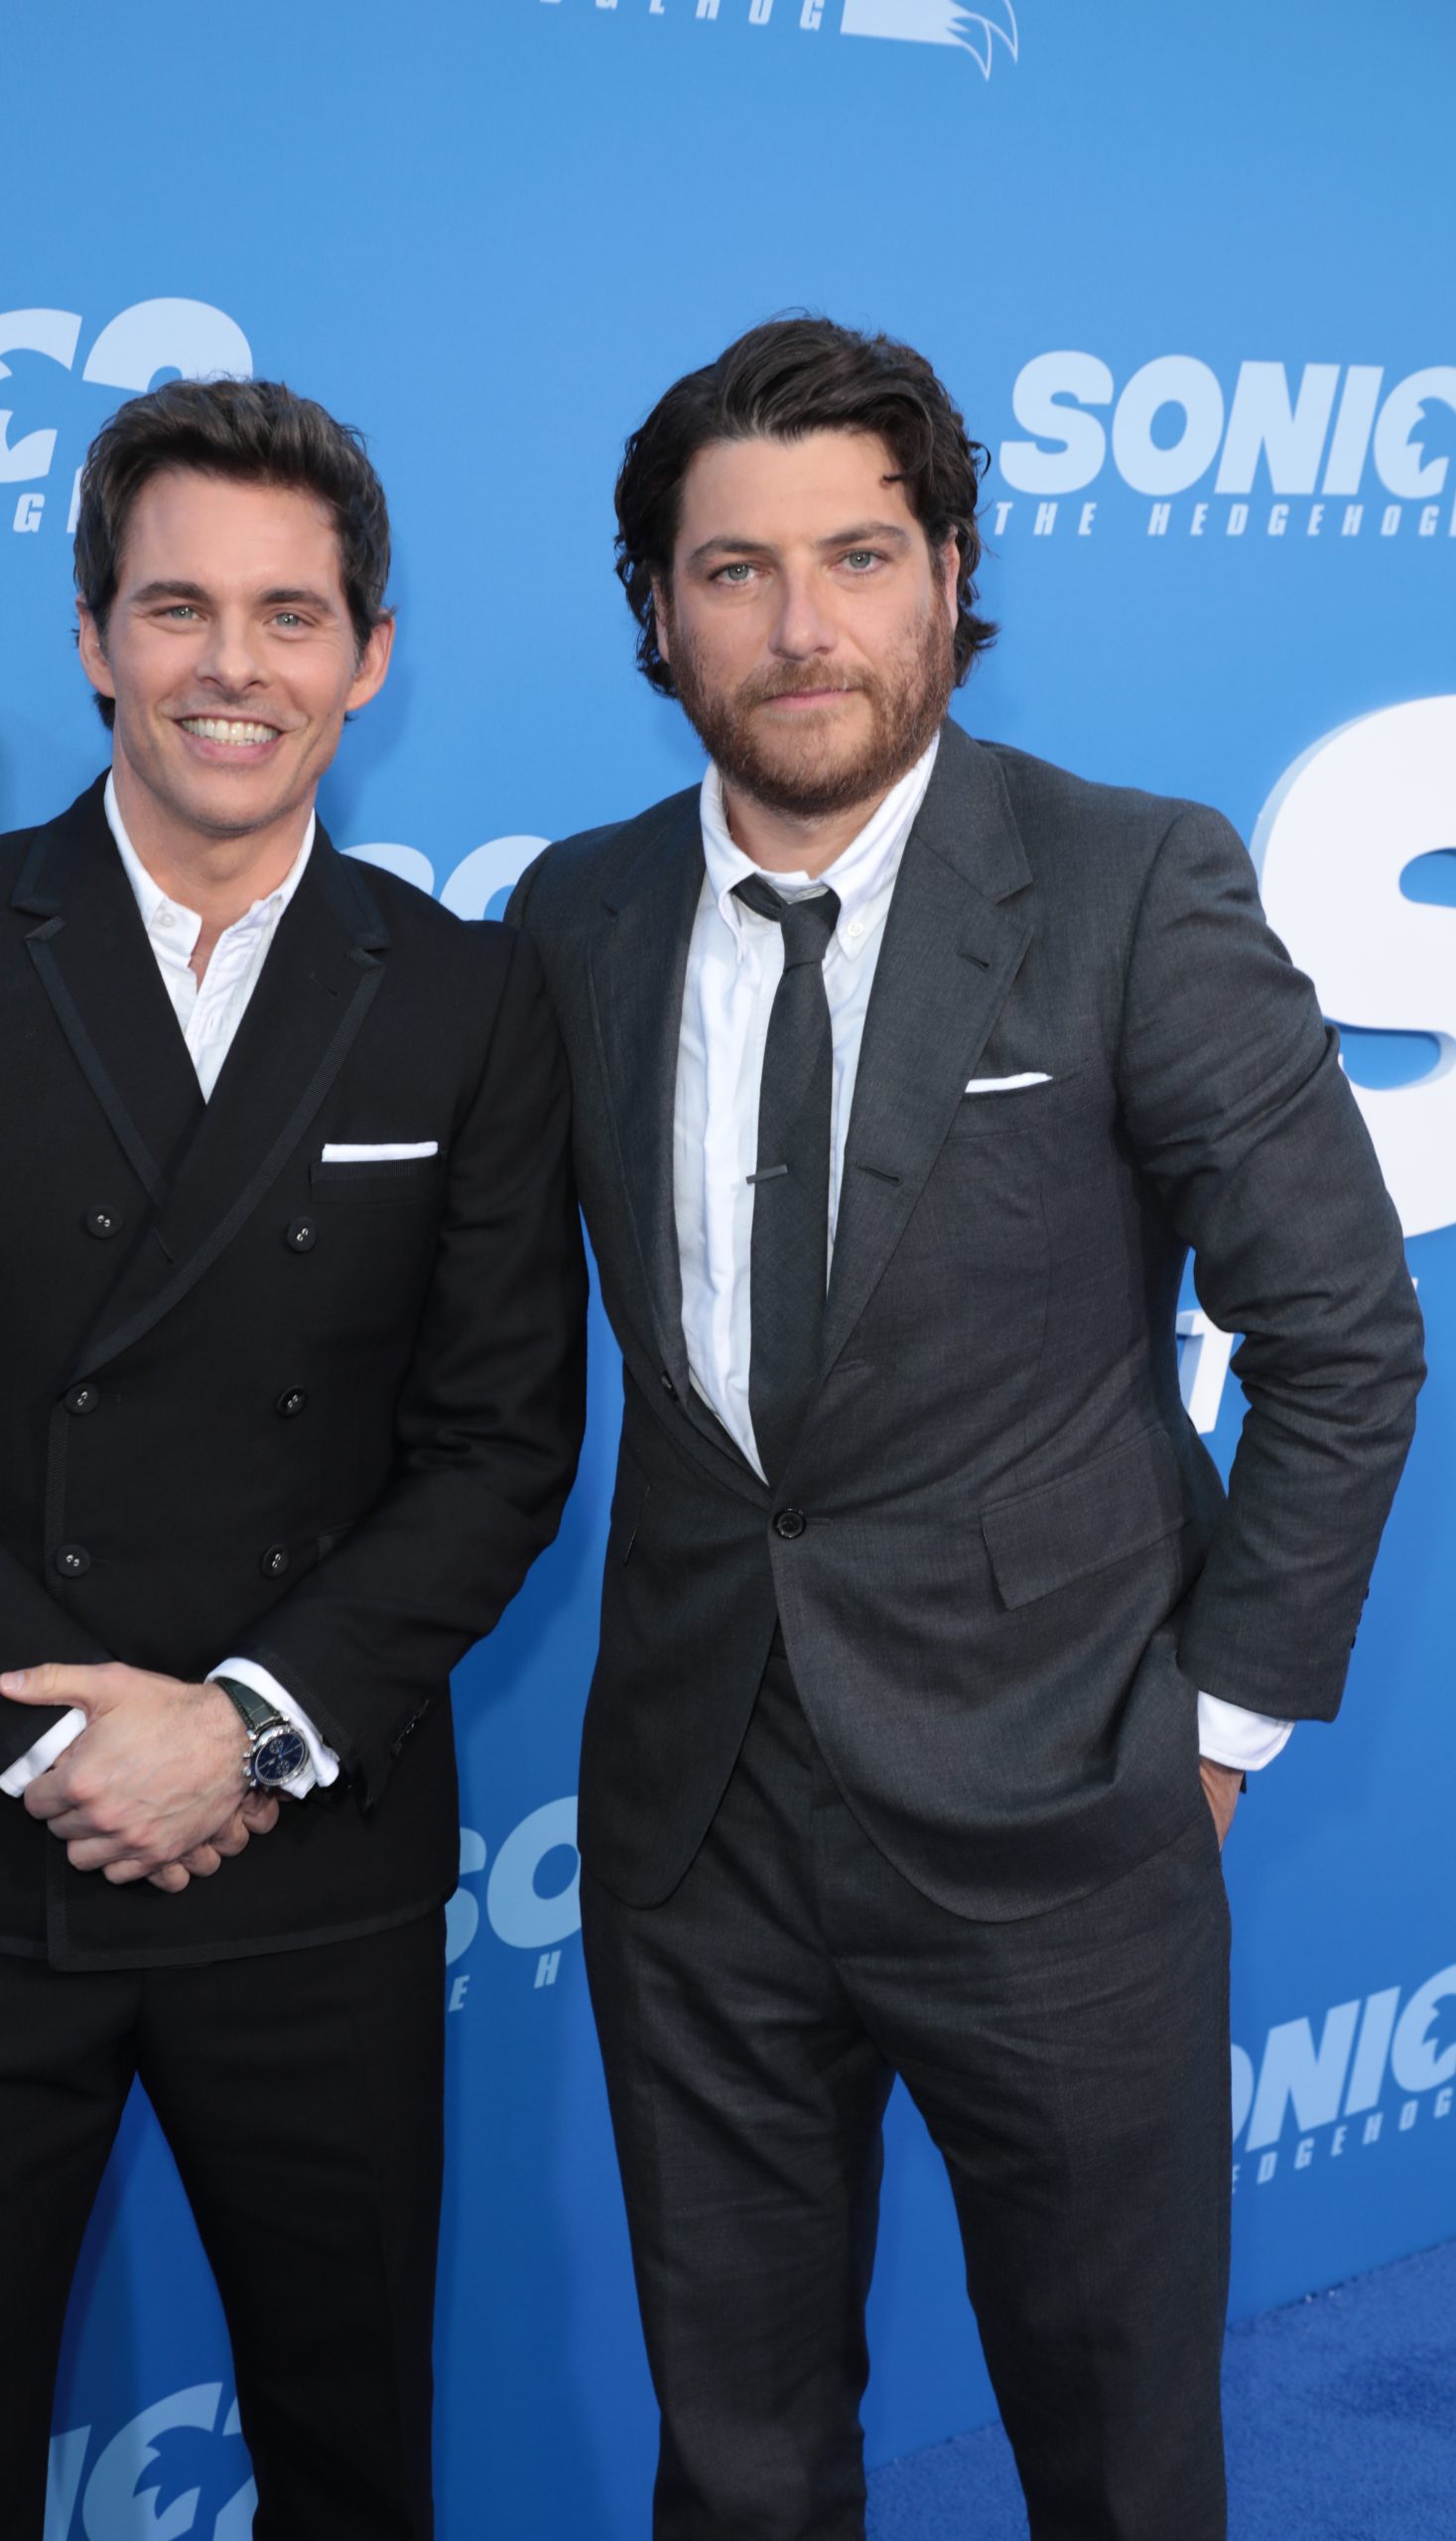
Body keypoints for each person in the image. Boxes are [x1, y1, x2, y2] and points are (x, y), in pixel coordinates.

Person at [506, 317, 1423, 2541]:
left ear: (948, 572)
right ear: (656, 611)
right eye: (733, 569)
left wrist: (1210, 1732)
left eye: (857, 554)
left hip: (1066, 1805)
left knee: (1115, 2461)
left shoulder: (1125, 883)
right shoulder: (573, 917)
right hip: (697, 1820)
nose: (799, 627)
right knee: (736, 2461)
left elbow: (1339, 1332)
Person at [0, 375, 585, 2541]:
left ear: (368, 656)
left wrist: (239, 1730)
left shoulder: (467, 996)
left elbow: (501, 1440)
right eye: (178, 607)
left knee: (349, 2447)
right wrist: (66, 1743)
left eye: (291, 615)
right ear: (92, 636)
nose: (236, 665)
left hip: (305, 1856)